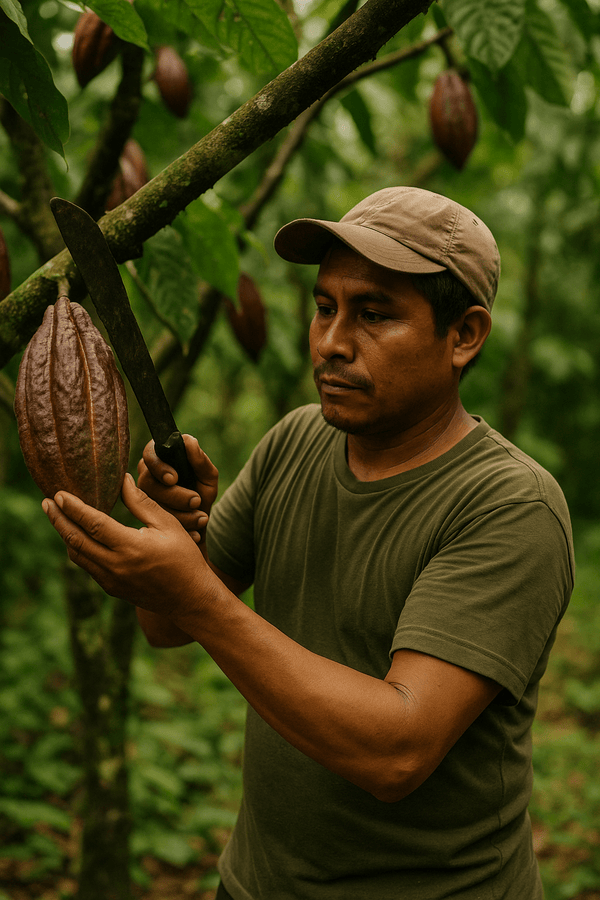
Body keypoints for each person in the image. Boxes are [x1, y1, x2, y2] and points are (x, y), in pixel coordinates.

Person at [43, 186, 574, 900]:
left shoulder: (509, 504)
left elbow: (398, 751)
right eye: (325, 307)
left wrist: (198, 597)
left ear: (464, 336)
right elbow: (166, 626)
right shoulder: (297, 440)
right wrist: (177, 542)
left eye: (374, 314)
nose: (330, 342)